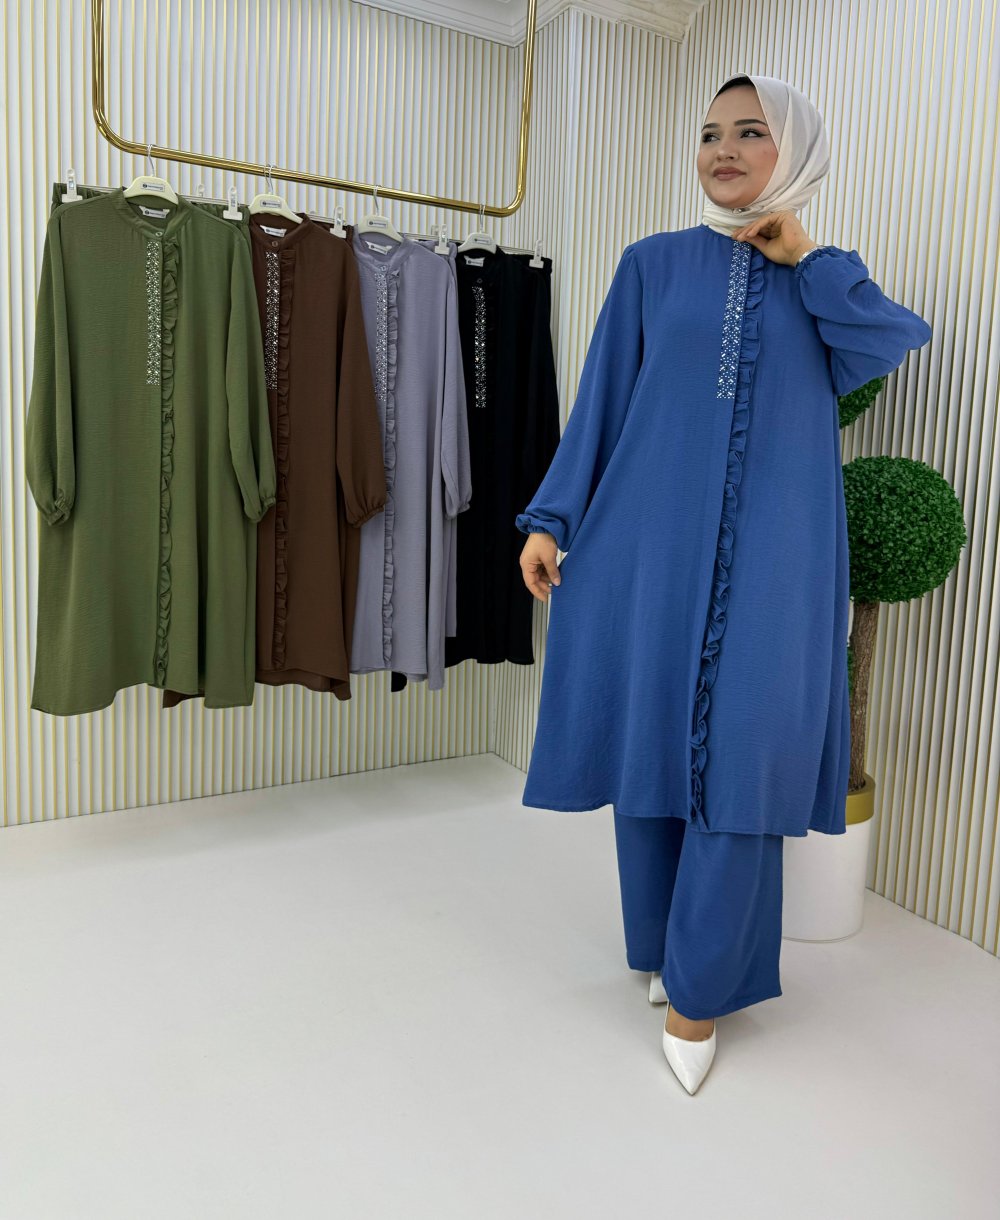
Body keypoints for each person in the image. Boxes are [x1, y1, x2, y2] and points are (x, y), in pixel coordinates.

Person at [514, 73, 933, 1095]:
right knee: (653, 747)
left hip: (780, 561)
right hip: (649, 546)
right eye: (710, 134)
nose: (724, 150)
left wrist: (806, 257)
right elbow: (604, 399)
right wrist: (552, 517)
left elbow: (890, 340)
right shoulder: (651, 265)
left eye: (750, 132)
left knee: (743, 763)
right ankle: (662, 948)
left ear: (794, 151)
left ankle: (700, 991)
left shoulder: (823, 281)